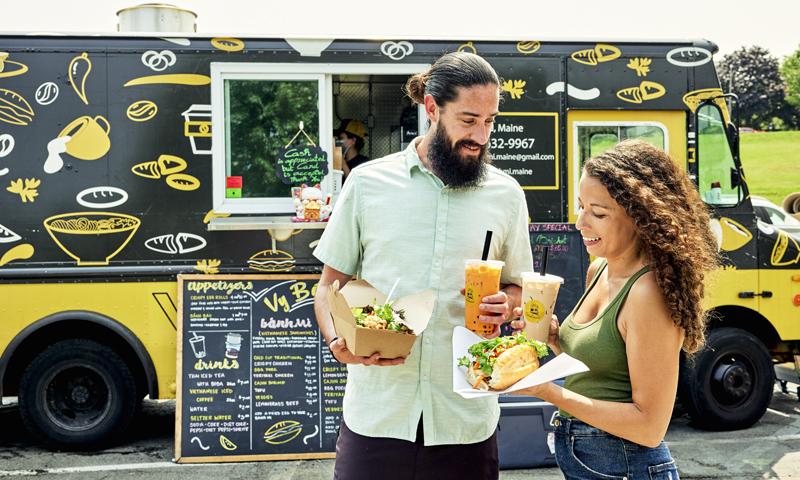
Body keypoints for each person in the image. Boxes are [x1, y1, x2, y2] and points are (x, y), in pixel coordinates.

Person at [313, 51, 533, 480]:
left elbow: (517, 287)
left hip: (465, 417)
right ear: (432, 108)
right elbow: (328, 286)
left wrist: (506, 305)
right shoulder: (367, 183)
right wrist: (337, 337)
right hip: (378, 413)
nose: (480, 136)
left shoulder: (506, 195)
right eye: (468, 120)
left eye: (490, 122)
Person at [512, 139, 720, 480]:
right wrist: (554, 340)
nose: (580, 222)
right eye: (580, 207)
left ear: (641, 217)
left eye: (598, 212)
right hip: (588, 458)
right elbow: (602, 368)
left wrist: (547, 391)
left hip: (626, 464)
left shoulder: (647, 293)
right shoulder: (599, 270)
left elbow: (649, 427)